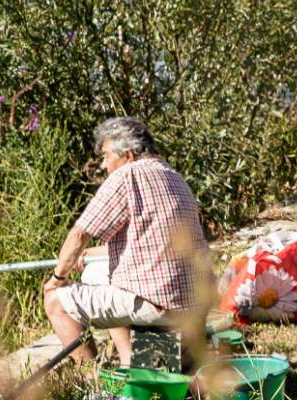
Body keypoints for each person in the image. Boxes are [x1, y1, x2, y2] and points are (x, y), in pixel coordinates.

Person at [42, 116, 207, 367]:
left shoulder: (126, 175)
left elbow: (79, 235)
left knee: (55, 301)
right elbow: (143, 241)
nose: (105, 165)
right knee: (94, 274)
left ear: (128, 155)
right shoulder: (173, 176)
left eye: (107, 156)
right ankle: (132, 361)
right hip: (195, 301)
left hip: (160, 304)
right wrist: (82, 257)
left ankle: (90, 382)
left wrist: (57, 278)